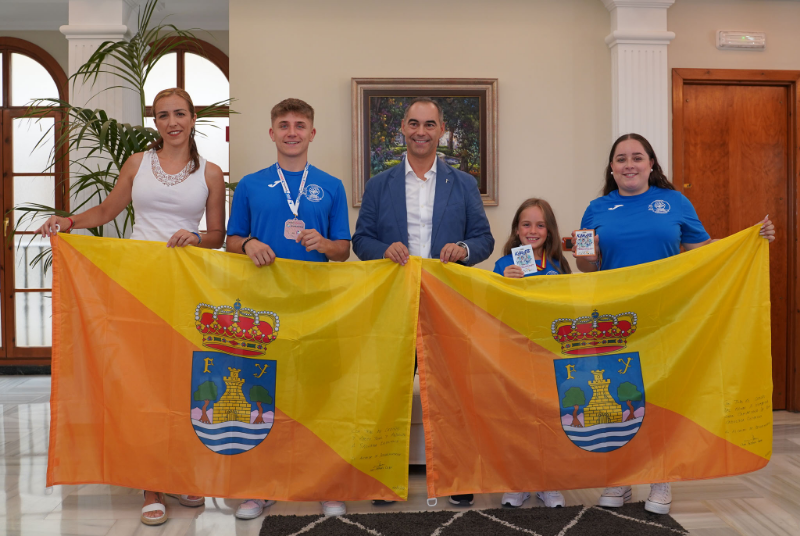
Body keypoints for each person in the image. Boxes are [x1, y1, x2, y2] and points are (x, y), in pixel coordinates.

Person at [37, 87, 226, 526]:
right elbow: (107, 210)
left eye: (180, 113)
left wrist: (196, 237)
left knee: (182, 382)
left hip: (186, 287)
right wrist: (68, 221)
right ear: (155, 122)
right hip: (137, 284)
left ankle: (181, 473)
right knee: (141, 382)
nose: (172, 122)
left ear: (194, 118)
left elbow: (218, 233)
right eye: (163, 115)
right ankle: (150, 484)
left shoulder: (212, 173)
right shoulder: (137, 163)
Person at [575, 133, 775, 515]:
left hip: (667, 316)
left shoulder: (675, 203)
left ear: (651, 164)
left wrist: (750, 239)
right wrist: (588, 253)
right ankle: (617, 480)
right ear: (611, 168)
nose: (629, 165)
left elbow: (702, 251)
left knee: (661, 394)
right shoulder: (596, 209)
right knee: (618, 396)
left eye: (637, 157)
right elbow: (586, 265)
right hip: (615, 318)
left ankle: (660, 478)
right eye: (621, 159)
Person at [353, 96, 494, 506]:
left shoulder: (463, 184)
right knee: (389, 391)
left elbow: (483, 239)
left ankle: (457, 477)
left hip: (447, 304)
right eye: (413, 123)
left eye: (429, 125)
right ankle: (385, 476)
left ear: (441, 130)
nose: (420, 131)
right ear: (402, 127)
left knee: (453, 391)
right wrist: (383, 250)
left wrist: (463, 250)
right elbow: (360, 240)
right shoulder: (379, 185)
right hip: (394, 304)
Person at [226, 98, 351, 519]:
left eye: (300, 125)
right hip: (262, 309)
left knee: (318, 400)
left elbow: (344, 252)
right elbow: (230, 240)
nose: (292, 132)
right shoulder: (249, 184)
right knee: (264, 398)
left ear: (312, 133)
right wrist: (249, 244)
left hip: (317, 309)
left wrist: (325, 245)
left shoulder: (331, 186)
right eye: (284, 124)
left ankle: (326, 486)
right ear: (272, 133)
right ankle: (258, 488)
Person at [493, 197, 569, 508]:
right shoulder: (504, 265)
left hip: (548, 353)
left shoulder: (559, 267)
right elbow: (491, 307)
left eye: (540, 224)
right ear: (516, 229)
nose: (533, 230)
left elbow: (568, 309)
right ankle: (518, 481)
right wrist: (503, 283)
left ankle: (547, 481)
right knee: (517, 417)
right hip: (514, 352)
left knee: (549, 415)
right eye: (526, 224)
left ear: (549, 231)